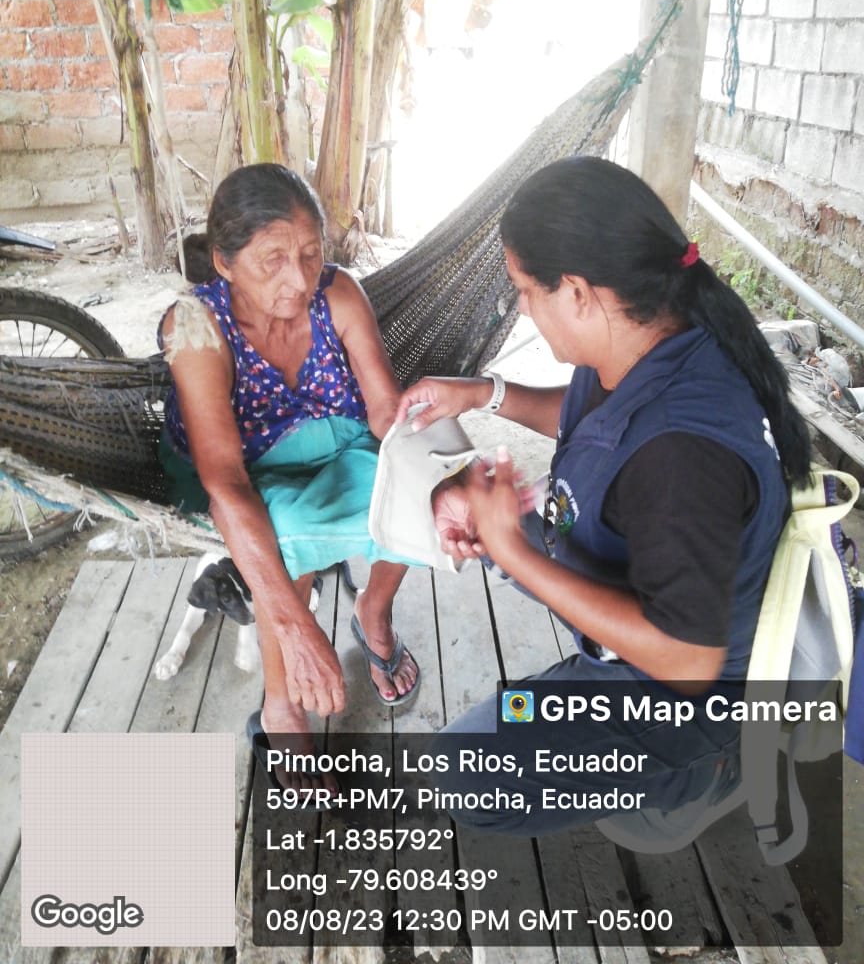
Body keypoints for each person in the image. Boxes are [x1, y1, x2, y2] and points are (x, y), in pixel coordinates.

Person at [398, 155, 812, 836]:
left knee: (463, 773)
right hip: (654, 607)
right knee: (509, 539)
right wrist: (485, 394)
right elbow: (590, 417)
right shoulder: (653, 341)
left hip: (689, 701)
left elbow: (687, 661)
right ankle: (587, 675)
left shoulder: (682, 459)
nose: (521, 307)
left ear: (578, 293)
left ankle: (709, 772)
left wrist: (512, 549)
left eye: (524, 290)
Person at [158, 164, 419, 778]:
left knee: (421, 499)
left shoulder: (338, 292)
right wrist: (300, 629)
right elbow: (225, 483)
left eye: (309, 253)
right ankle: (281, 702)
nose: (299, 280)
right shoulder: (195, 325)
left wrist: (436, 463)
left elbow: (384, 411)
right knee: (283, 534)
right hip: (253, 468)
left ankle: (372, 610)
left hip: (344, 442)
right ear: (224, 263)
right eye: (272, 260)